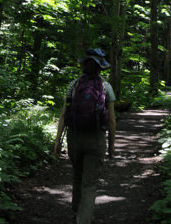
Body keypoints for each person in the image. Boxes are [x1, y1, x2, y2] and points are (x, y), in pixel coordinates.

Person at [54, 48, 116, 224]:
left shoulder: (73, 85)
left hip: (74, 138)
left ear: (84, 65)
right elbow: (111, 120)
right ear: (100, 68)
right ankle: (83, 219)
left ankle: (77, 211)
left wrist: (57, 141)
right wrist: (111, 145)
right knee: (89, 183)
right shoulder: (106, 87)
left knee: (77, 175)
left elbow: (63, 116)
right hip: (96, 138)